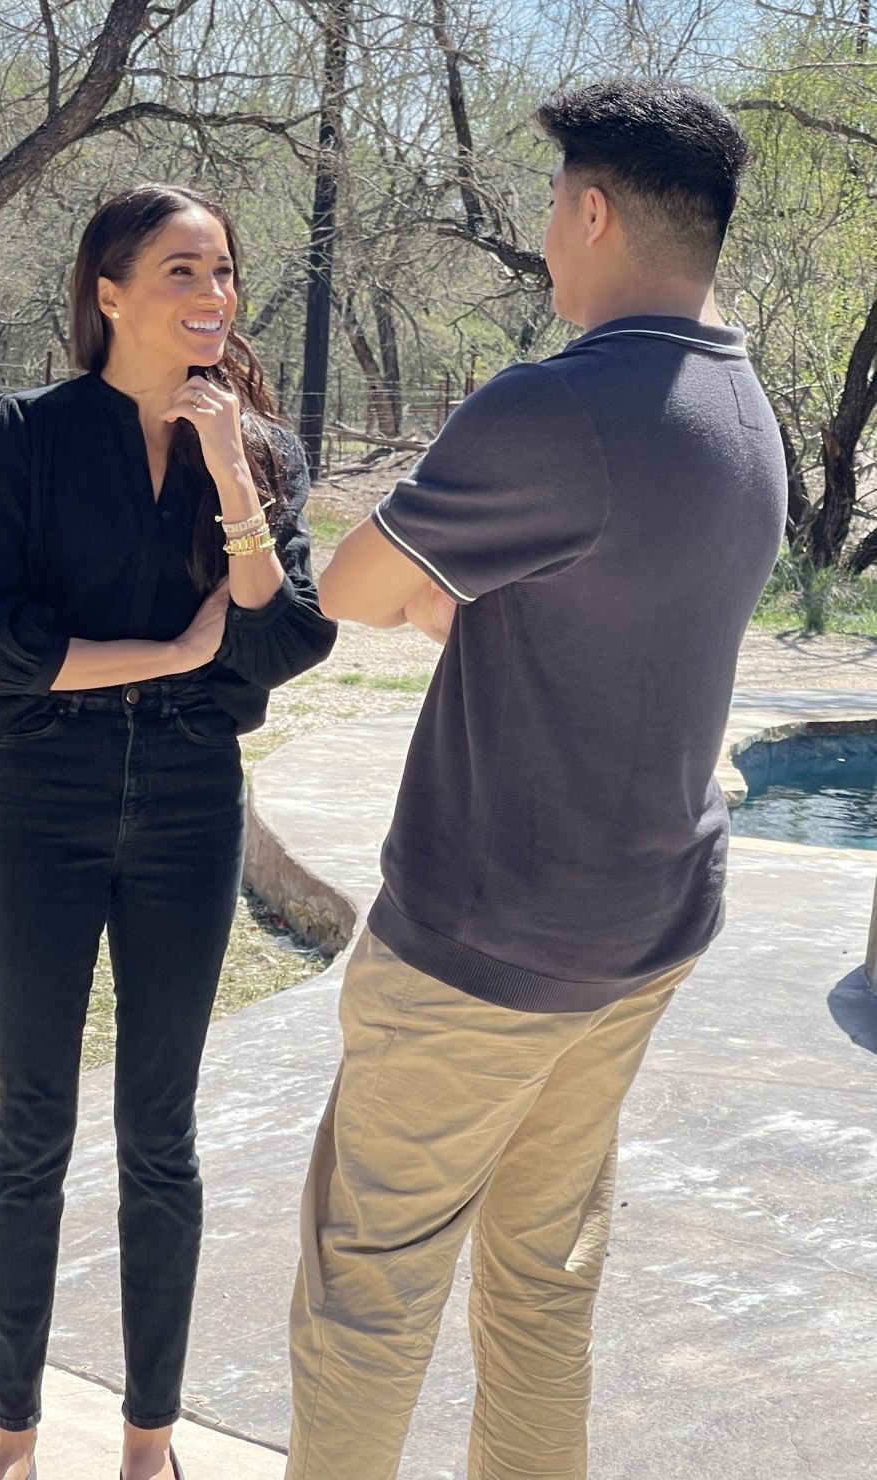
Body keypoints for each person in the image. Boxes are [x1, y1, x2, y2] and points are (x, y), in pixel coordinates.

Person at [286, 78, 787, 1480]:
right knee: (543, 1282)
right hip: (644, 935)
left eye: (549, 213)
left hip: (481, 952)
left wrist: (442, 588)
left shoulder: (553, 409)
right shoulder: (745, 411)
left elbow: (352, 585)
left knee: (365, 1290)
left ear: (590, 209)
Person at [0, 184, 336, 1480]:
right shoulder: (18, 436)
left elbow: (282, 644)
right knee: (33, 1129)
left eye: (223, 273)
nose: (212, 298)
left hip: (187, 813)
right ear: (107, 292)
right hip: (41, 810)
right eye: (182, 272)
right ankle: (11, 1445)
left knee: (160, 1139)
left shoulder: (261, 454)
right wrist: (166, 651)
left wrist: (232, 478)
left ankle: (148, 1448)